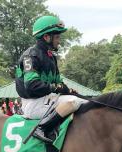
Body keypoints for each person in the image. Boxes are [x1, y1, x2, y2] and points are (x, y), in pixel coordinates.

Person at [15, 15, 85, 143]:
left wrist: (67, 90)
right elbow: (32, 86)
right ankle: (41, 128)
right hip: (32, 103)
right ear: (47, 37)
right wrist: (56, 88)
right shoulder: (30, 56)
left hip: (45, 100)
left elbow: (58, 83)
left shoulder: (51, 57)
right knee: (73, 102)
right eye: (57, 37)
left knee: (82, 101)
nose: (59, 41)